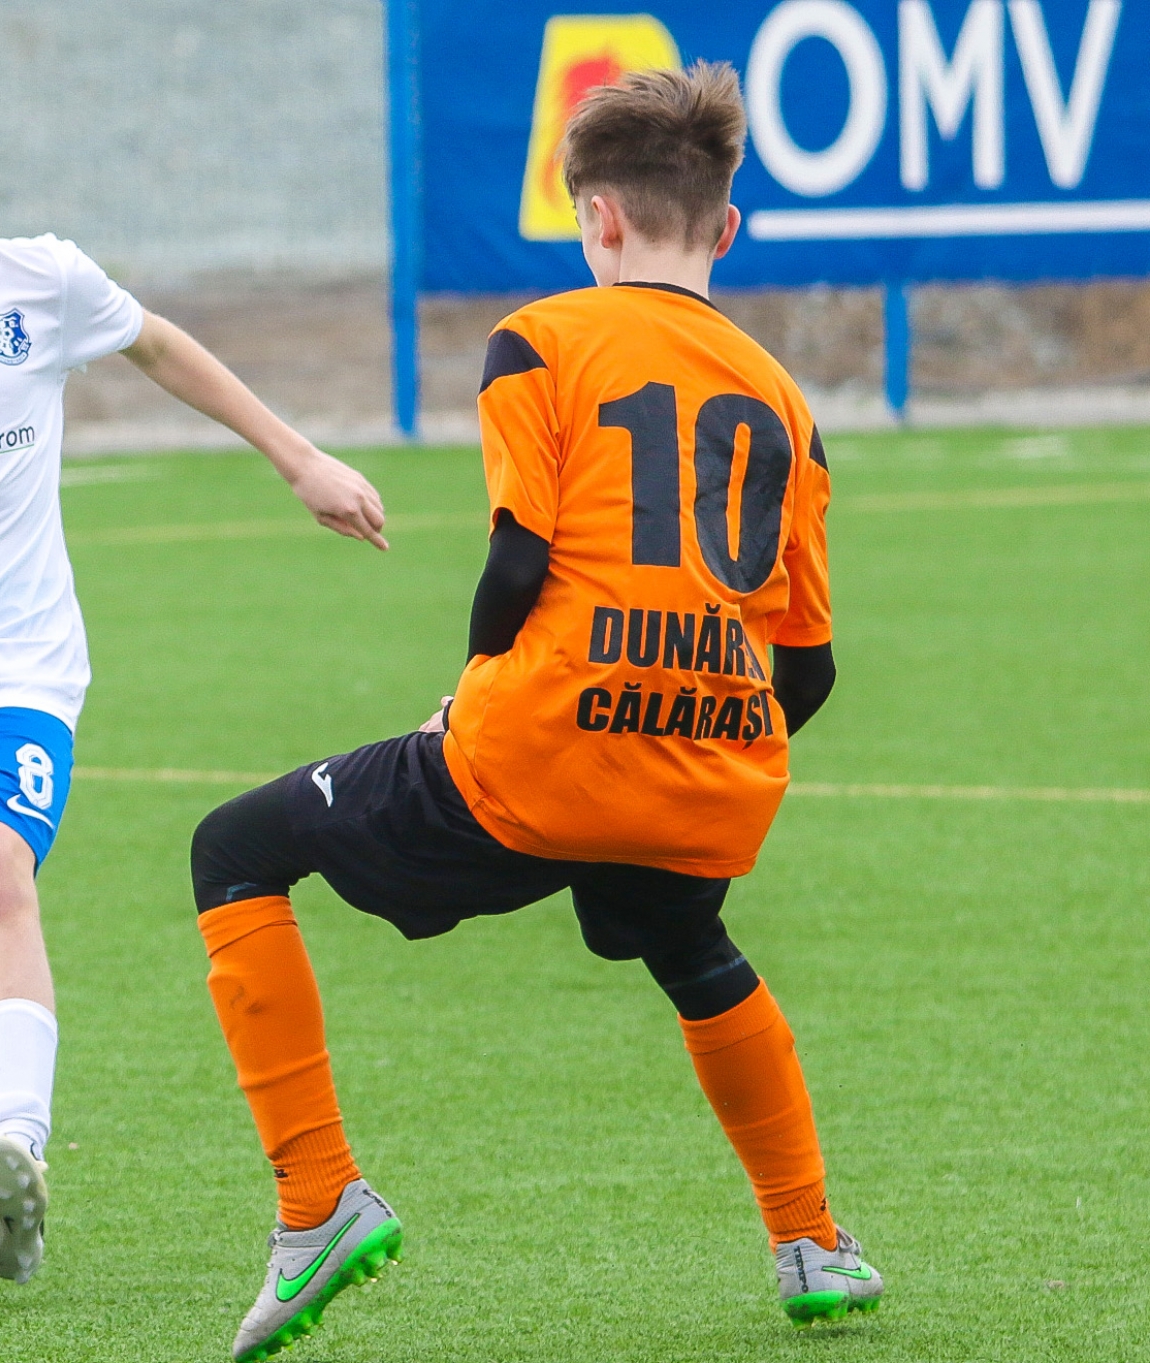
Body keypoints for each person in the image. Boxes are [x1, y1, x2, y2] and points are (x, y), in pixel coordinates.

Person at [187, 62, 880, 1361]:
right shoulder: (790, 406)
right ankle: (814, 1242)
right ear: (727, 227)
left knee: (234, 848)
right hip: (704, 774)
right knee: (689, 941)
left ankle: (317, 1200)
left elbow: (517, 564)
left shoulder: (543, 338)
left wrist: (467, 694)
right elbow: (811, 671)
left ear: (596, 219)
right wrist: (694, 729)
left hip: (537, 750)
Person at [0, 45, 388, 1286]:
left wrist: (298, 458)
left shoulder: (37, 282)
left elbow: (160, 346)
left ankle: (15, 1152)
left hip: (16, 669)